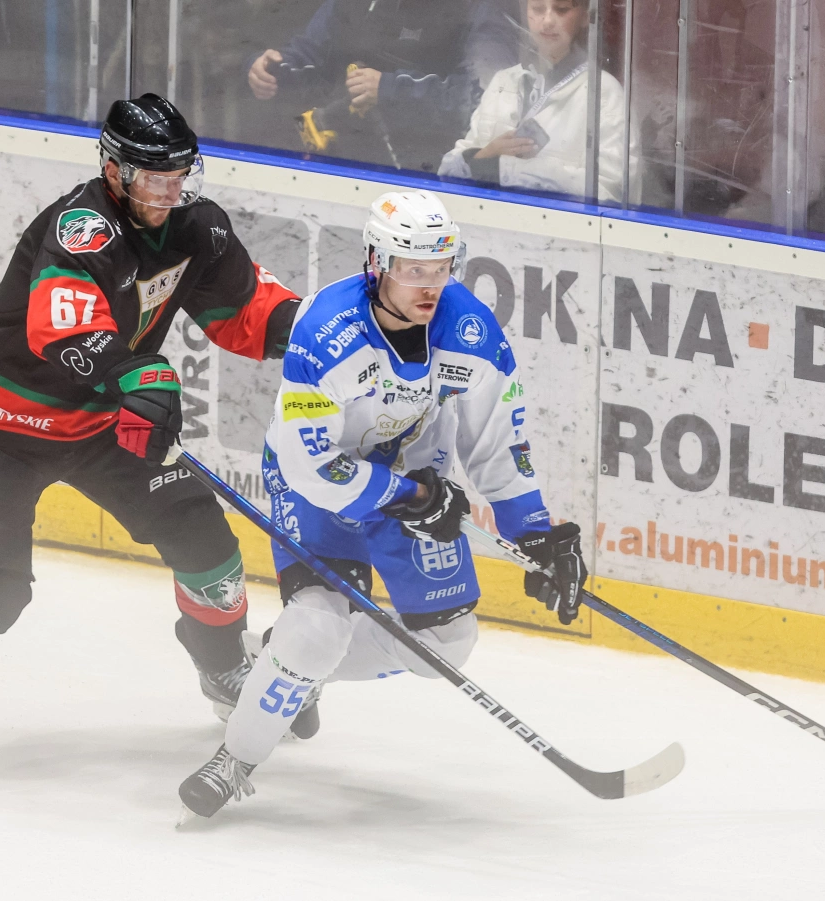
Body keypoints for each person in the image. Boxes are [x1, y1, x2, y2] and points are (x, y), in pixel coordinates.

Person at [0, 94, 306, 752]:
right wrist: (135, 373)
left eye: (179, 175)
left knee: (204, 541)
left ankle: (222, 667)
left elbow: (246, 313)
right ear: (114, 171)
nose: (170, 191)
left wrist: (320, 334)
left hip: (99, 424)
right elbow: (62, 329)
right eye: (154, 178)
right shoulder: (82, 229)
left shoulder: (199, 228)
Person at [176, 190, 588, 817]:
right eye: (414, 268)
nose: (431, 286)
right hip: (319, 483)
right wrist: (410, 496)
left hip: (416, 479)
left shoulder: (470, 330)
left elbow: (497, 441)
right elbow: (312, 465)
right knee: (317, 628)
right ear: (377, 263)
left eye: (442, 267)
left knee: (447, 644)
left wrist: (534, 532)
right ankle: (238, 757)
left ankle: (283, 667)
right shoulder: (326, 330)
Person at [244, 0, 518, 173]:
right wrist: (268, 69)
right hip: (343, 165)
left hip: (427, 177)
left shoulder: (478, 9)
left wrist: (390, 90)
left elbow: (487, 100)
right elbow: (310, 53)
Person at [438, 0, 627, 201]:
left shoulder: (604, 93)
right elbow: (448, 168)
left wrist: (506, 168)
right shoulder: (504, 81)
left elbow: (611, 193)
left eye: (561, 10)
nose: (547, 21)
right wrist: (485, 155)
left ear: (585, 16)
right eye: (537, 9)